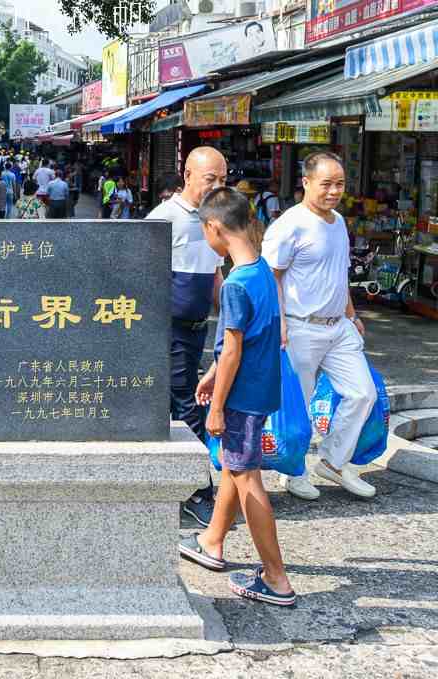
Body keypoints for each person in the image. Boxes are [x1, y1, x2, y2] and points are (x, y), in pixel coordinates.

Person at [179, 187, 295, 608]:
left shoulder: (235, 285)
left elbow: (232, 350)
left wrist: (216, 407)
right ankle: (212, 541)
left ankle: (276, 578)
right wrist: (212, 374)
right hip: (261, 387)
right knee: (234, 463)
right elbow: (248, 339)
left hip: (242, 395)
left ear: (213, 228)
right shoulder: (261, 271)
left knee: (247, 477)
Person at [262, 151, 377, 500]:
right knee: (300, 405)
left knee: (363, 393)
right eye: (326, 183)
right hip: (300, 327)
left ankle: (333, 462)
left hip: (338, 326)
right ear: (306, 182)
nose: (333, 191)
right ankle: (294, 472)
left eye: (339, 184)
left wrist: (352, 315)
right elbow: (271, 277)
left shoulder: (338, 222)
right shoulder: (289, 224)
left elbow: (338, 274)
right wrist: (278, 324)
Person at [146, 147, 227, 527]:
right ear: (188, 175)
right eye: (210, 178)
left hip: (198, 331)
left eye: (223, 179)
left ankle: (174, 484)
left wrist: (229, 316)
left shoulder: (215, 220)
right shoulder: (164, 217)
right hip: (168, 331)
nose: (217, 185)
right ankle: (198, 490)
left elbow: (213, 276)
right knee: (188, 403)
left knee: (179, 403)